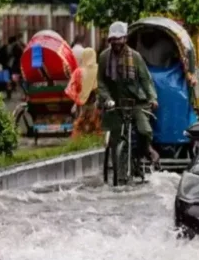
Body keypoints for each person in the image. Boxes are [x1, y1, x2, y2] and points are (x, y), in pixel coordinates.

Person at [97, 21, 160, 164]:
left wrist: (152, 98)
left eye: (119, 39)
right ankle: (118, 164)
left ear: (125, 39)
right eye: (113, 39)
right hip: (114, 103)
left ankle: (146, 150)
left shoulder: (136, 57)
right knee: (113, 135)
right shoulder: (104, 57)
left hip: (135, 102)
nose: (116, 43)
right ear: (110, 40)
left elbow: (146, 80)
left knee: (144, 131)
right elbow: (101, 82)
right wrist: (107, 98)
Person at [65, 47, 102, 138]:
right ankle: (96, 143)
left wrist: (77, 98)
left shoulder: (79, 72)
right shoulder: (99, 70)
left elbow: (71, 88)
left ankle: (78, 143)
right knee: (96, 125)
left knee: (79, 125)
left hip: (81, 104)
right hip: (95, 103)